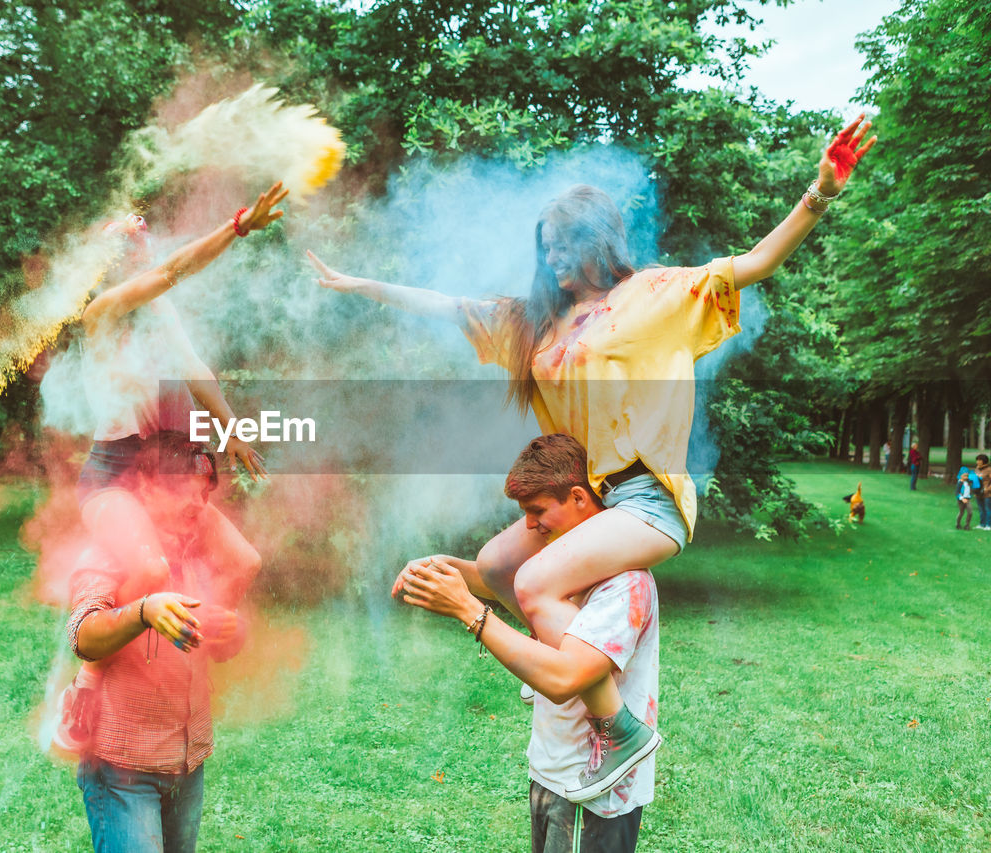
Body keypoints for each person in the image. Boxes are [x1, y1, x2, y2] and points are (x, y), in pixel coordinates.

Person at [312, 117, 875, 661]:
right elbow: (446, 305)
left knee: (532, 583)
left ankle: (600, 701)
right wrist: (361, 284)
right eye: (545, 247)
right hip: (586, 500)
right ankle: (570, 668)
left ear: (597, 239)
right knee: (495, 566)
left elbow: (757, 262)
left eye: (561, 244)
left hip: (648, 498)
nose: (551, 257)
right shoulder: (536, 320)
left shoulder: (657, 293)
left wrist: (818, 194)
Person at [54, 185, 286, 751]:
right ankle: (87, 679)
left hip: (162, 475)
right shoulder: (101, 315)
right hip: (111, 478)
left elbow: (195, 367)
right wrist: (236, 225)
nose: (143, 265)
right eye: (132, 258)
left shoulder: (158, 314)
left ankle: (193, 642)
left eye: (141, 254)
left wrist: (231, 430)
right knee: (153, 569)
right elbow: (176, 271)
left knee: (243, 560)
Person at [398, 433, 659, 853]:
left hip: (593, 796)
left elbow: (564, 678)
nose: (530, 525)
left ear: (577, 496)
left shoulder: (626, 582)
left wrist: (469, 610)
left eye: (538, 511)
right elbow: (501, 581)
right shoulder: (562, 568)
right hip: (552, 774)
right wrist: (442, 568)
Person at [66, 435, 254, 853]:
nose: (198, 506)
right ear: (147, 487)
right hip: (121, 767)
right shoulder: (112, 549)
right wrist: (144, 610)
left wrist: (231, 631)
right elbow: (83, 633)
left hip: (187, 763)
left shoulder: (200, 552)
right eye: (185, 492)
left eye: (204, 495)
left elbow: (217, 647)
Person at [975, 454, 991, 531]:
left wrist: (987, 489)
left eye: (979, 460)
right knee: (981, 509)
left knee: (987, 509)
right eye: (977, 460)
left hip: (987, 493)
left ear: (984, 461)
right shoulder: (977, 469)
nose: (977, 462)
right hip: (978, 493)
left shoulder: (989, 469)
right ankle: (982, 524)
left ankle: (988, 525)